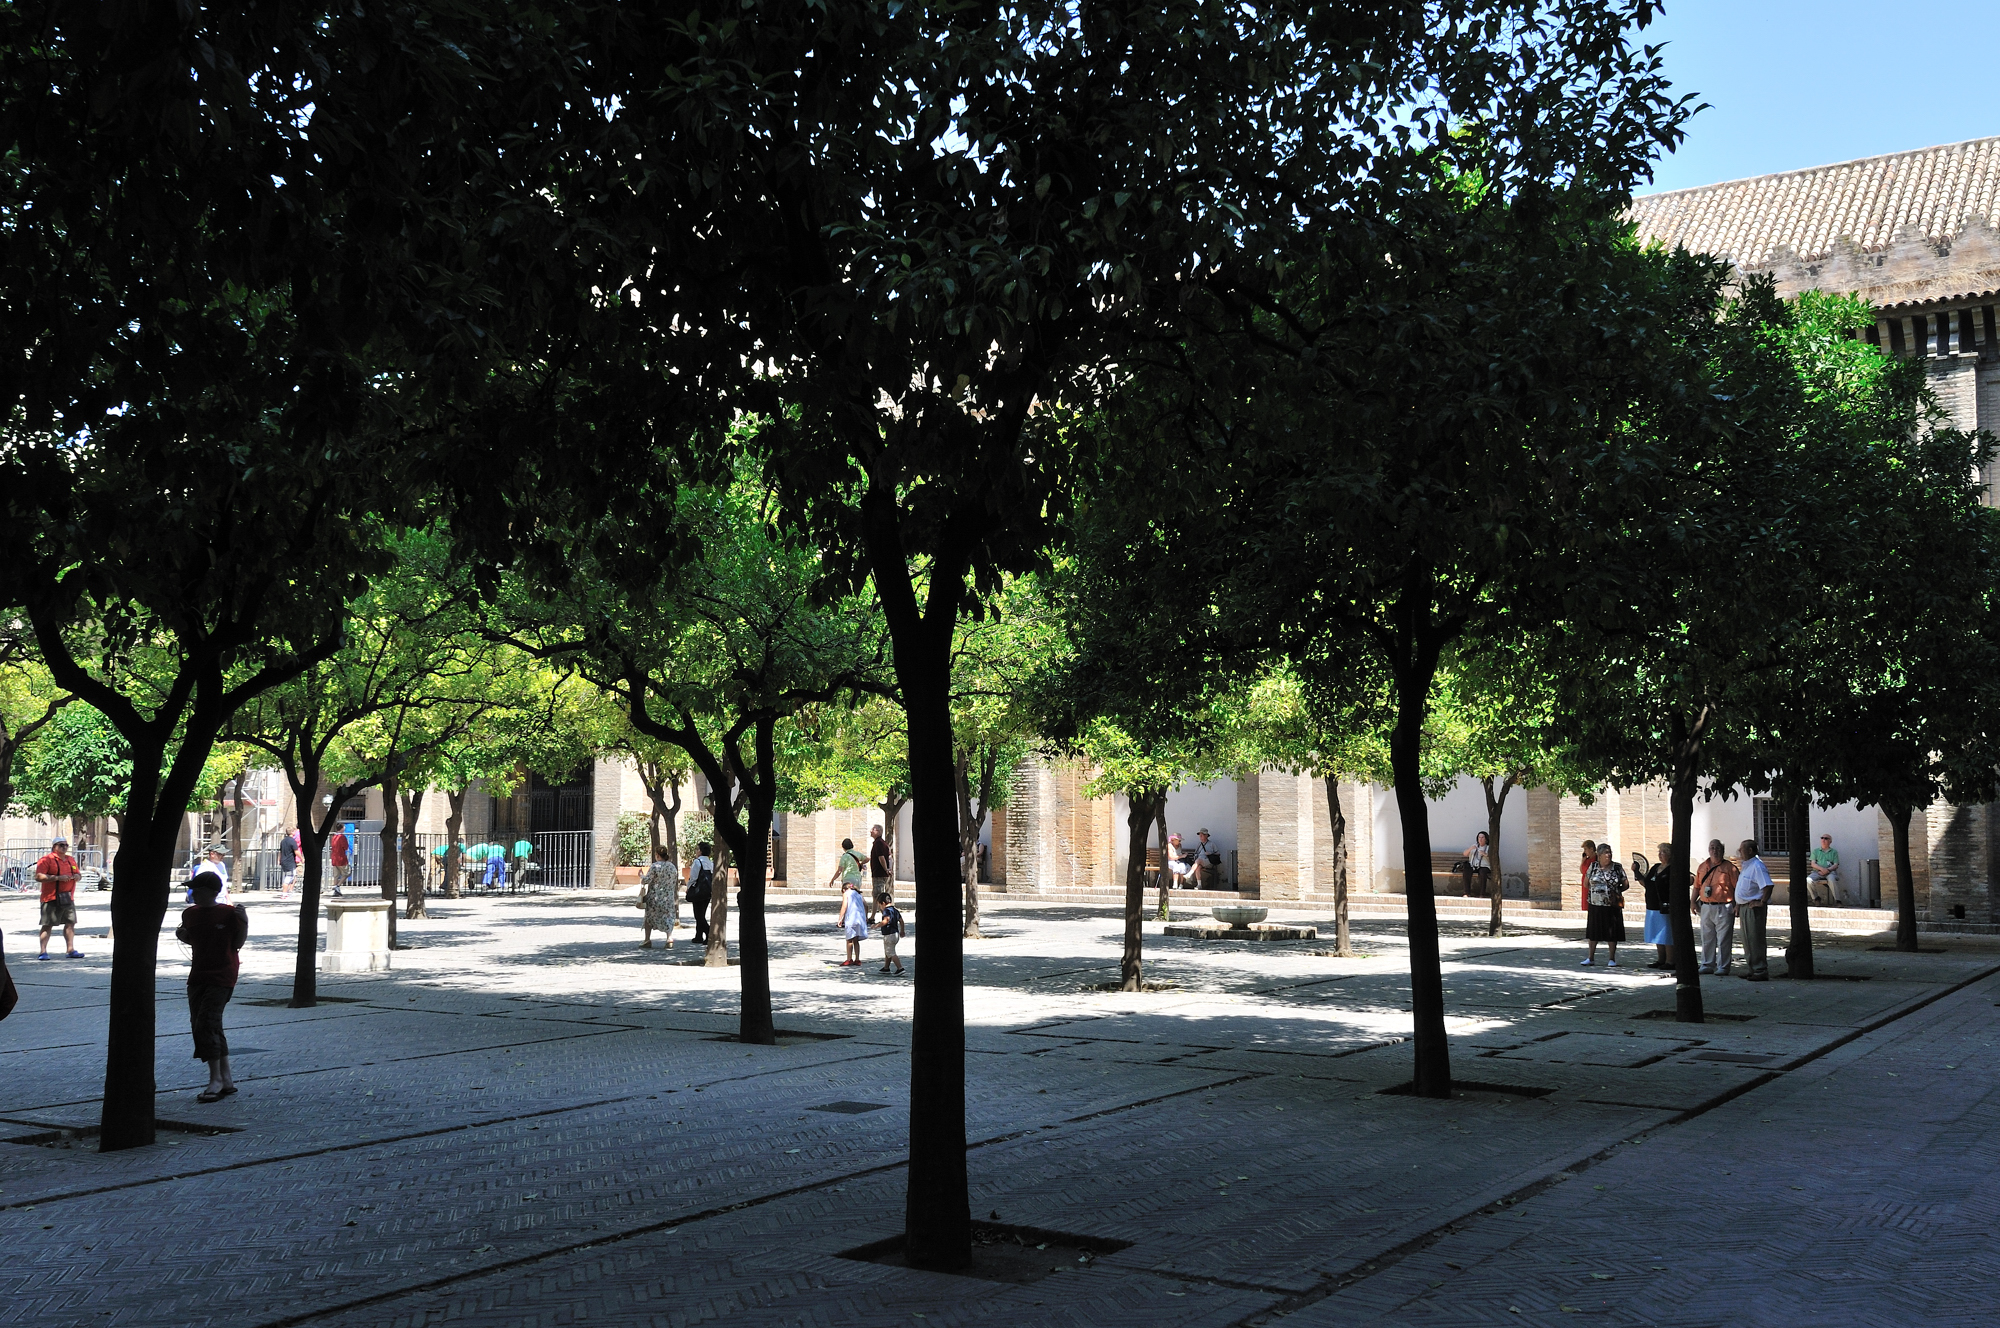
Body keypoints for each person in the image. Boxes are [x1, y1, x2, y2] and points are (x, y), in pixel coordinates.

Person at [176, 873, 247, 1103]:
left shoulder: (229, 913)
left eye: (197, 889)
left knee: (206, 1023)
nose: (193, 893)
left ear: (211, 892)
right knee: (206, 1023)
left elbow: (237, 943)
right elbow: (194, 938)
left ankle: (215, 1079)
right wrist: (182, 935)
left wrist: (244, 922)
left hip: (222, 974)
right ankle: (226, 1079)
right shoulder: (189, 914)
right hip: (198, 974)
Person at [1692, 839, 1740, 975]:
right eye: (1712, 848)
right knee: (1707, 937)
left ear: (1723, 850)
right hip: (1706, 906)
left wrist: (1737, 905)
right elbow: (1697, 886)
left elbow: (1738, 888)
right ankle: (1707, 964)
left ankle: (1723, 966)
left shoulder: (1730, 868)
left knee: (1724, 938)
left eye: (1718, 848)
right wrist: (1692, 901)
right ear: (1709, 850)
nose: (1715, 851)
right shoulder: (1702, 866)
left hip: (1724, 906)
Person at [35, 835, 82, 961]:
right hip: (50, 897)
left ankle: (70, 950)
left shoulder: (70, 860)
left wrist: (77, 876)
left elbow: (78, 873)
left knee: (70, 923)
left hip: (68, 897)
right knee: (47, 924)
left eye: (66, 845)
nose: (64, 847)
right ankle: (43, 951)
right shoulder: (46, 860)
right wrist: (57, 878)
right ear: (54, 847)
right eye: (61, 845)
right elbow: (38, 876)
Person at [1734, 839, 1775, 982]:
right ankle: (1752, 968)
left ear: (1750, 850)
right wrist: (1738, 904)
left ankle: (1760, 969)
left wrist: (1762, 902)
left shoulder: (1757, 866)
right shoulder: (1747, 866)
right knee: (1747, 939)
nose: (1739, 852)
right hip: (1745, 906)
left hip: (1753, 908)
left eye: (1742, 849)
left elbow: (1768, 885)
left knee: (1755, 938)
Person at [1581, 842, 1627, 967]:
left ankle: (1612, 959)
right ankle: (1590, 957)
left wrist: (1615, 892)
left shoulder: (1617, 867)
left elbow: (1625, 884)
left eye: (1610, 852)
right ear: (1600, 855)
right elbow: (1586, 883)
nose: (1609, 855)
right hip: (1595, 904)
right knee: (1593, 931)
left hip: (1612, 905)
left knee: (1612, 932)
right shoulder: (1593, 866)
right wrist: (1597, 892)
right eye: (1606, 853)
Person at [1641, 841, 1675, 969]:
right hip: (1652, 906)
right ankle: (1661, 959)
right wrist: (1636, 872)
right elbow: (1646, 883)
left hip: (1665, 906)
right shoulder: (1655, 867)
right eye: (1659, 852)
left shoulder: (1672, 869)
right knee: (1657, 934)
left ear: (1670, 854)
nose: (1660, 854)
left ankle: (1670, 961)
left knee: (1666, 934)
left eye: (1664, 852)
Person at [638, 845, 679, 949]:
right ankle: (669, 938)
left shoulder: (655, 866)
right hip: (668, 897)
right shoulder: (672, 867)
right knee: (668, 916)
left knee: (649, 917)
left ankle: (647, 939)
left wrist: (641, 876)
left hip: (654, 897)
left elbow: (646, 880)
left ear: (657, 855)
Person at [685, 842, 715, 945]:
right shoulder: (711, 863)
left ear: (700, 851)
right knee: (702, 913)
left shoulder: (697, 862)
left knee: (698, 915)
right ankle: (699, 936)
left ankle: (709, 933)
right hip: (708, 891)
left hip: (698, 891)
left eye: (697, 849)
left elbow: (693, 877)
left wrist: (689, 887)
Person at [836, 873, 868, 966]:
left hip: (851, 919)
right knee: (856, 940)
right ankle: (857, 959)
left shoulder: (846, 893)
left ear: (844, 889)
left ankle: (849, 959)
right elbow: (866, 905)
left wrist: (840, 919)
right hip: (860, 919)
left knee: (849, 940)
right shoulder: (858, 894)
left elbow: (844, 906)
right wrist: (866, 917)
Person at [1805, 833, 1840, 907]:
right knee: (1808, 880)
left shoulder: (1834, 852)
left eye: (1826, 838)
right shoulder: (1816, 851)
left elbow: (1836, 865)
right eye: (1822, 838)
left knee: (1832, 879)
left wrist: (1827, 870)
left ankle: (1838, 900)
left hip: (1830, 872)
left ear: (1830, 841)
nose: (1823, 840)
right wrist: (1822, 869)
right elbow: (1813, 864)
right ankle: (1816, 898)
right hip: (1817, 872)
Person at [878, 887, 907, 976]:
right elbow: (901, 921)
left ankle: (900, 968)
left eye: (879, 905)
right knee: (888, 950)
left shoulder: (886, 911)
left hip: (889, 934)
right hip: (895, 934)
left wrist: (877, 925)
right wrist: (902, 930)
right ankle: (886, 967)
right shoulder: (895, 910)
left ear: (883, 903)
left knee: (891, 952)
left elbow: (886, 920)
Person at [869, 825, 893, 921]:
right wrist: (889, 868)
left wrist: (886, 869)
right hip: (880, 873)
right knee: (876, 895)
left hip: (879, 873)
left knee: (879, 896)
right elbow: (890, 857)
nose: (870, 831)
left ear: (878, 831)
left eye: (873, 829)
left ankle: (887, 917)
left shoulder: (878, 843)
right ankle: (873, 917)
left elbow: (881, 857)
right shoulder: (884, 843)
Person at [1461, 831, 1493, 898]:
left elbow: (1492, 858)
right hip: (1473, 865)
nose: (1480, 839)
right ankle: (1466, 893)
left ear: (1486, 839)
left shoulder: (1488, 847)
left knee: (1483, 873)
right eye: (1479, 837)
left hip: (1484, 866)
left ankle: (1482, 893)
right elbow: (1465, 854)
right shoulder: (1474, 846)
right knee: (1466, 871)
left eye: (1482, 837)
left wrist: (1485, 854)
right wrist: (1470, 849)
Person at [329, 822, 352, 897]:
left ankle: (336, 891)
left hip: (334, 858)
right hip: (341, 858)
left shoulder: (334, 836)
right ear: (342, 828)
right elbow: (346, 847)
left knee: (336, 875)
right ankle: (337, 886)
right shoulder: (342, 837)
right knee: (347, 872)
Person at [278, 829, 300, 898]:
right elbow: (296, 851)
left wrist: (279, 860)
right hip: (290, 862)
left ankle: (288, 891)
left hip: (284, 861)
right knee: (289, 877)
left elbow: (280, 852)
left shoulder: (283, 841)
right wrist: (302, 858)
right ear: (292, 832)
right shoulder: (292, 841)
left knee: (293, 875)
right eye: (294, 831)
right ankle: (284, 893)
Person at [1578, 840, 1597, 911]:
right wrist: (1583, 861)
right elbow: (1582, 871)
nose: (1584, 851)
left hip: (1592, 885)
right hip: (1585, 884)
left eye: (1585, 849)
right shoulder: (1586, 859)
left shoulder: (1596, 859)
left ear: (1591, 849)